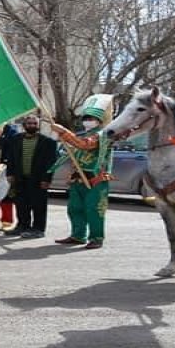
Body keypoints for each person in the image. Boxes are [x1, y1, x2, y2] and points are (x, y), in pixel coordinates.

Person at [50, 95, 114, 249]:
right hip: (77, 178)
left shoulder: (102, 135)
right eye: (86, 117)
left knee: (94, 209)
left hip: (96, 178)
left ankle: (96, 237)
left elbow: (85, 145)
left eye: (91, 118)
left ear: (99, 120)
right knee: (74, 208)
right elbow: (74, 147)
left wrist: (64, 132)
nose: (87, 120)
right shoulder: (81, 134)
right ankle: (78, 235)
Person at [1, 115, 59, 238]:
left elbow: (51, 163)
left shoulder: (48, 142)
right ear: (24, 125)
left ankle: (38, 229)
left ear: (38, 125)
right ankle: (22, 226)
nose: (32, 125)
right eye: (29, 123)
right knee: (21, 204)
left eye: (34, 123)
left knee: (38, 205)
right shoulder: (16, 139)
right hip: (20, 178)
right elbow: (10, 158)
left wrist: (46, 179)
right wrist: (10, 174)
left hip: (38, 179)